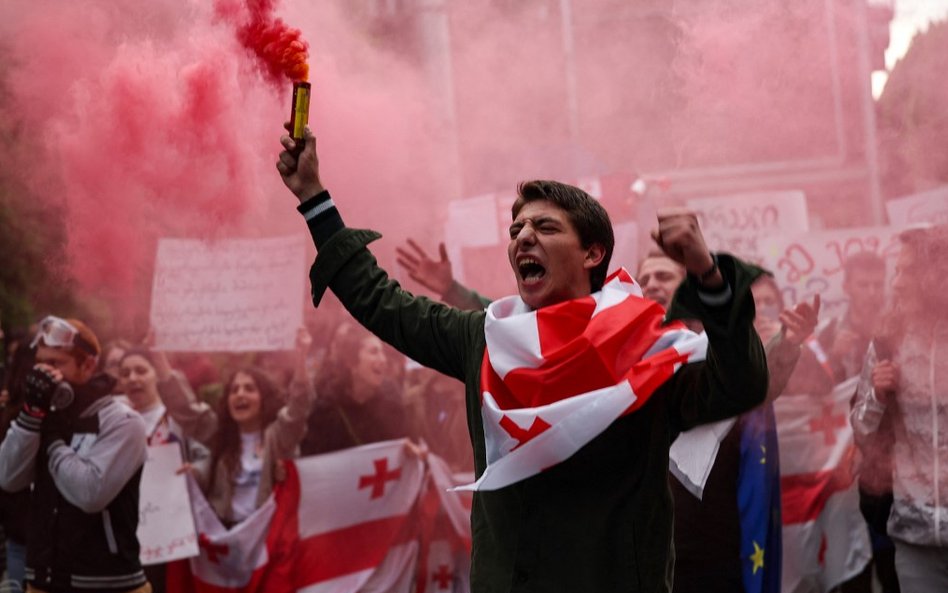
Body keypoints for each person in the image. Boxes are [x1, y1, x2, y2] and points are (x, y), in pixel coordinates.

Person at [276, 125, 769, 592]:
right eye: (516, 228)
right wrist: (314, 197)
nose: (522, 237)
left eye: (545, 226)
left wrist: (708, 275)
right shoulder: (485, 337)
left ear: (592, 253)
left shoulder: (647, 345)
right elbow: (379, 301)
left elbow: (741, 385)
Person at [0, 316, 149, 593]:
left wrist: (53, 439)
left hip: (106, 583)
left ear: (89, 365)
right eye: (40, 363)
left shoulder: (123, 421)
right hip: (42, 581)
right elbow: (7, 478)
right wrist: (31, 417)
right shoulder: (42, 416)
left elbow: (90, 493)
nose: (45, 374)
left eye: (56, 364)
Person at [851, 226, 948, 592]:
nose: (897, 283)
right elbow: (860, 430)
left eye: (909, 271)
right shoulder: (888, 343)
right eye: (897, 270)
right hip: (915, 539)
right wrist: (877, 394)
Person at [158, 329, 316, 525]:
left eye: (249, 389)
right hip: (226, 537)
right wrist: (157, 354)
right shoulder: (219, 433)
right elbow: (184, 408)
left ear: (264, 398)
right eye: (234, 390)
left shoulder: (278, 436)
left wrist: (301, 357)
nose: (240, 394)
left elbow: (299, 407)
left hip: (267, 537)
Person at [115, 347, 211, 593]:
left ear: (156, 374)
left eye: (141, 371)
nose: (133, 378)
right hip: (127, 537)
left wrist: (196, 471)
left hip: (172, 537)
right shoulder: (115, 422)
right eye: (125, 373)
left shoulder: (178, 419)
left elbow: (205, 456)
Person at [300, 320, 408, 456]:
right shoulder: (326, 410)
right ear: (351, 362)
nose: (383, 359)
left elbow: (404, 442)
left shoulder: (392, 399)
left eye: (382, 352)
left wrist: (409, 450)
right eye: (374, 352)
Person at [818, 251, 887, 383]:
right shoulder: (828, 331)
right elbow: (811, 386)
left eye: (878, 285)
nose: (872, 293)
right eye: (863, 285)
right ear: (846, 287)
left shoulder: (898, 329)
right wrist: (835, 356)